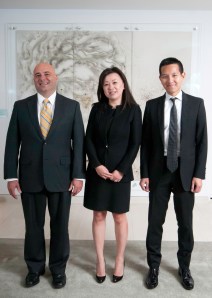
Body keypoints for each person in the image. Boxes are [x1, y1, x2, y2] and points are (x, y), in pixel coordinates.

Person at [4, 62, 85, 289]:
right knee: (33, 226)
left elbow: (78, 143)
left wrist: (79, 176)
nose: (43, 78)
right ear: (34, 80)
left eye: (47, 74)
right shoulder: (21, 107)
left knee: (60, 226)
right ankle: (34, 268)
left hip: (62, 176)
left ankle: (58, 270)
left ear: (55, 77)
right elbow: (12, 143)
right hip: (30, 177)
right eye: (38, 75)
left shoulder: (72, 106)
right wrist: (11, 177)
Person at [140, 57, 207, 290]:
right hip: (159, 172)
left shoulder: (197, 104)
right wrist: (145, 173)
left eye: (174, 75)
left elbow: (202, 142)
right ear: (160, 79)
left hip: (186, 173)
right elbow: (146, 143)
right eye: (165, 76)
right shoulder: (152, 106)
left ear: (183, 75)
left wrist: (199, 174)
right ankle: (154, 267)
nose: (170, 80)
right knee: (154, 222)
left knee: (185, 223)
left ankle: (184, 267)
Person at [83, 66, 142, 284]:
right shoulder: (97, 108)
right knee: (98, 215)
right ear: (102, 88)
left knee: (119, 217)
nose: (111, 87)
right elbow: (88, 139)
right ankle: (99, 260)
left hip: (120, 173)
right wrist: (96, 165)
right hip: (98, 172)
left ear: (123, 84)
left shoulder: (134, 110)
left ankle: (119, 259)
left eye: (115, 82)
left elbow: (135, 143)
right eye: (106, 84)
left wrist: (121, 170)